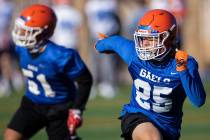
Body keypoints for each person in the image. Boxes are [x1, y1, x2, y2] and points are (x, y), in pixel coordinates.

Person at [95, 9, 206, 140]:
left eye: (151, 39)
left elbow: (198, 100)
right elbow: (113, 43)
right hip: (137, 116)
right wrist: (102, 45)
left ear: (168, 38)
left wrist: (182, 69)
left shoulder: (184, 63)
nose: (145, 43)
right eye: (143, 38)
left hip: (168, 128)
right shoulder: (134, 54)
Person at [4, 4, 92, 140]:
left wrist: (76, 110)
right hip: (32, 103)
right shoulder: (21, 49)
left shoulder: (61, 55)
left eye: (26, 31)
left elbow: (85, 80)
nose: (20, 33)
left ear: (42, 32)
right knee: (11, 137)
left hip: (60, 108)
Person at [85, 0, 121, 99]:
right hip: (95, 36)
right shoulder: (91, 4)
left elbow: (114, 19)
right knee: (94, 61)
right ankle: (94, 84)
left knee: (108, 61)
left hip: (108, 35)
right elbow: (90, 21)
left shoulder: (110, 3)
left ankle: (109, 84)